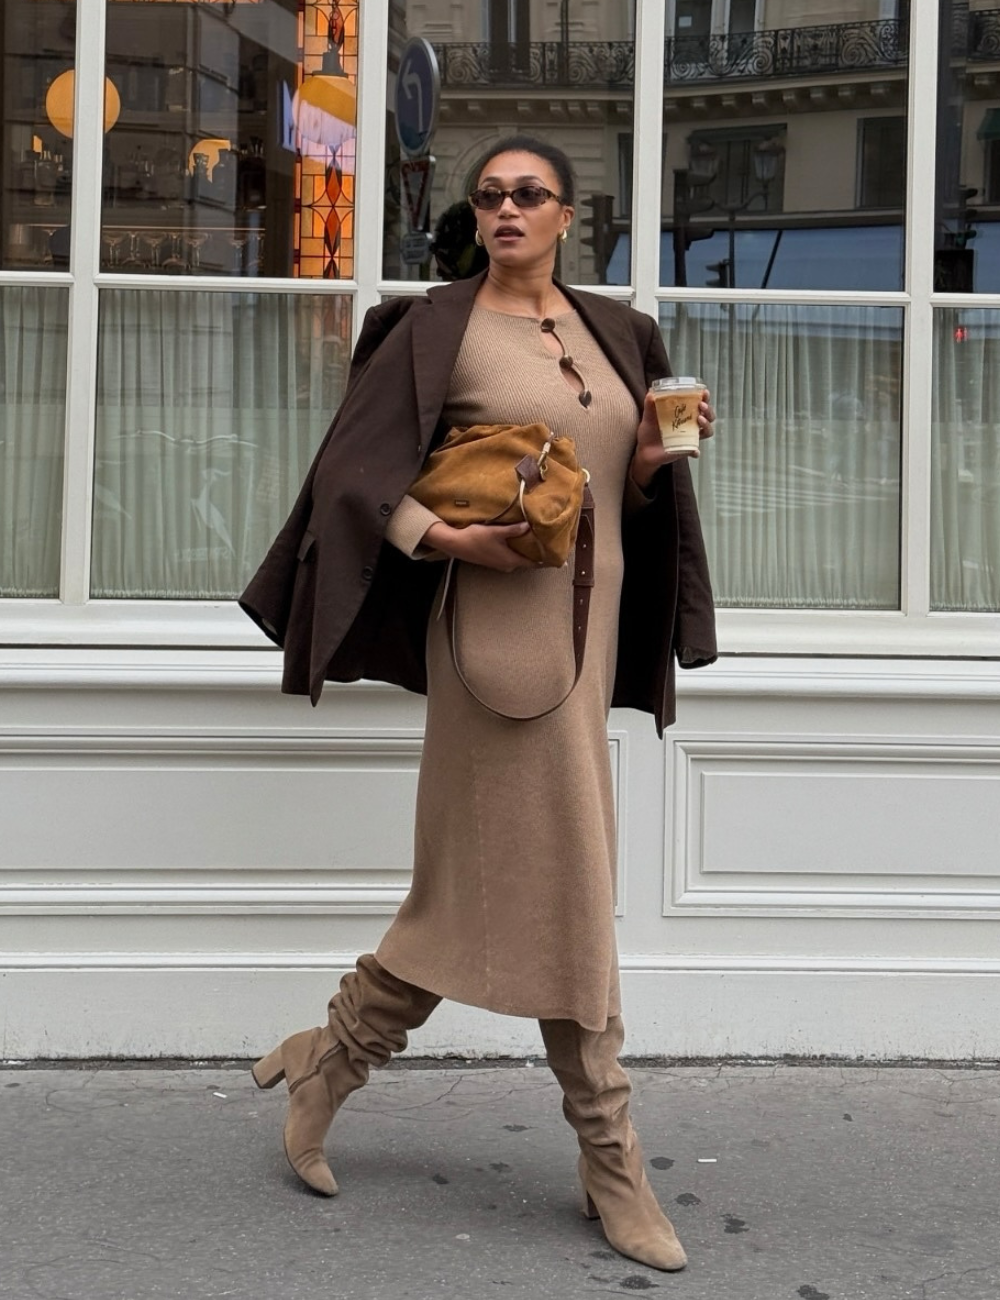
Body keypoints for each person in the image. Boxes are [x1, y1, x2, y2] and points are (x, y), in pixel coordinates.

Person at [240, 134, 717, 1273]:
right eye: (490, 195)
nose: (507, 209)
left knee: (482, 889)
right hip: (494, 650)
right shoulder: (432, 329)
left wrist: (649, 462)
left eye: (529, 194)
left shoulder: (616, 331)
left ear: (566, 214)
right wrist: (440, 534)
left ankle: (330, 1055)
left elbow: (619, 489)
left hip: (582, 644)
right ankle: (613, 1159)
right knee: (570, 892)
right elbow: (352, 482)